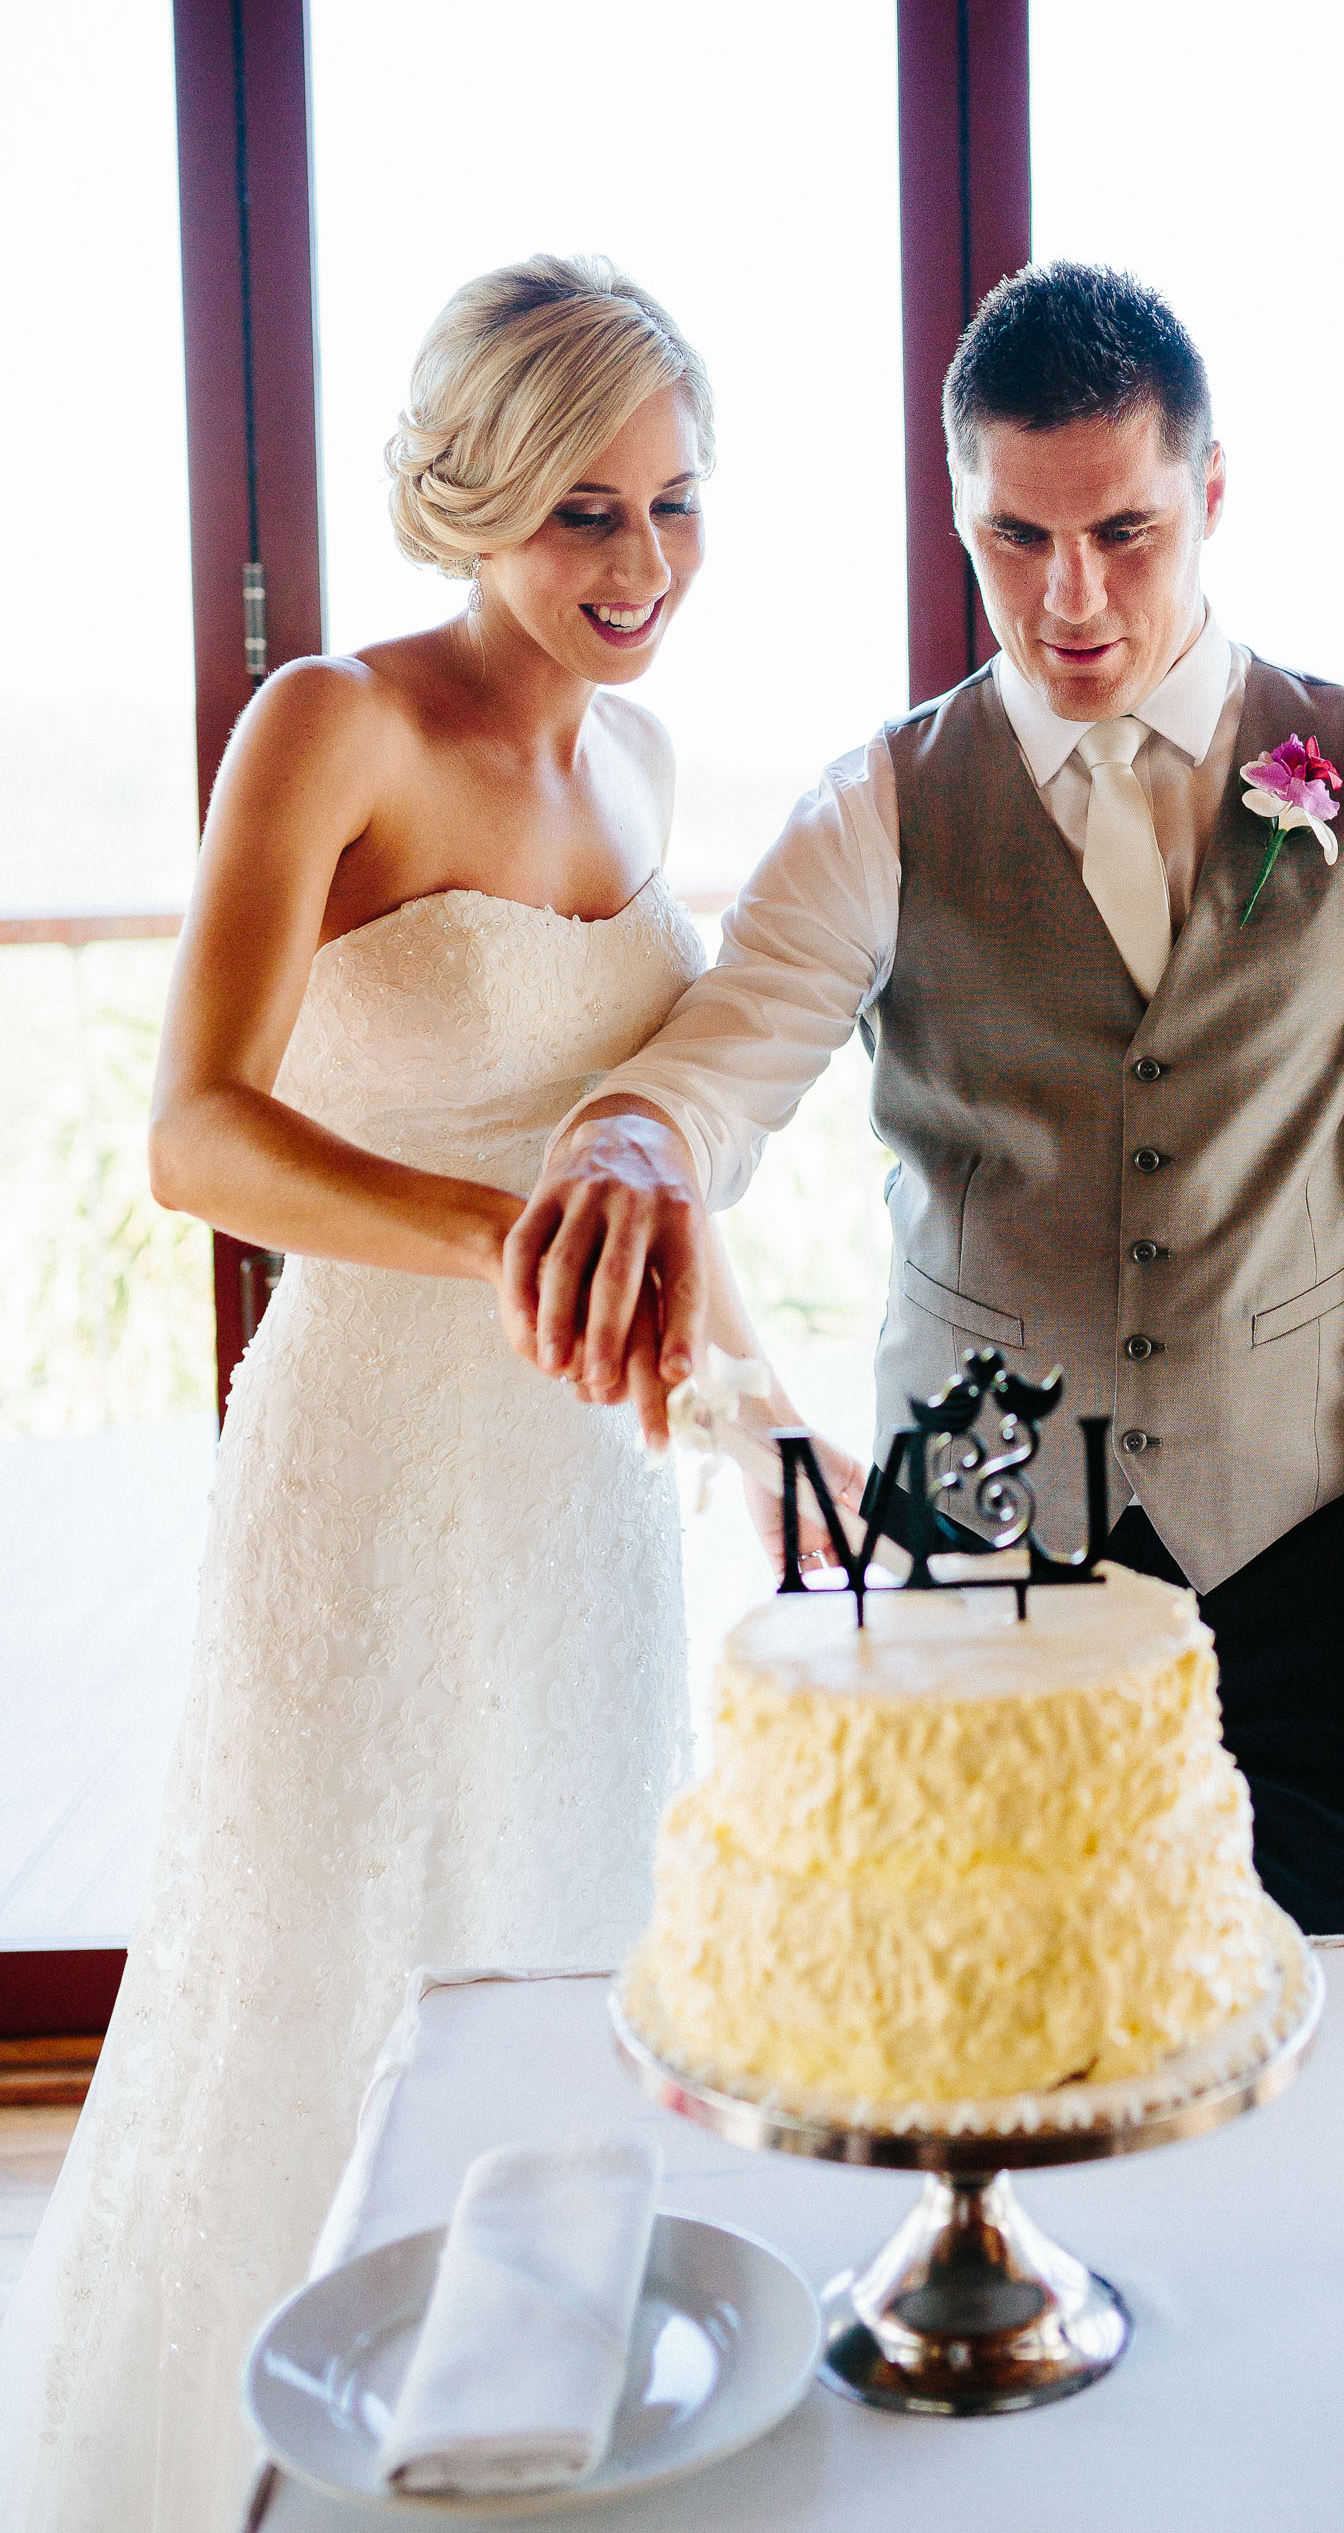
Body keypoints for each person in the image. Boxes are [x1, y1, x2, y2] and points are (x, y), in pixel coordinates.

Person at [0, 255, 846, 2533]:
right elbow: (191, 1134)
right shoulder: (330, 724)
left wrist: (765, 1431)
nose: (643, 569)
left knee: (562, 1944)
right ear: (470, 497)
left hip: (578, 1490)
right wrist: (510, 1245)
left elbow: (646, 1161)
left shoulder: (646, 756)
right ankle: (229, 2474)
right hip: (373, 1451)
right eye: (586, 512)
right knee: (331, 1956)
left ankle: (535, 2431)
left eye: (678, 508)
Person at [507, 259, 1344, 1938]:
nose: (1069, 598)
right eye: (1016, 538)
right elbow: (716, 1068)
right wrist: (634, 1139)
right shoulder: (877, 810)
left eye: (1125, 534)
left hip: (1325, 1577)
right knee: (989, 2081)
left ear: (1210, 498)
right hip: (972, 1574)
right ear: (958, 514)